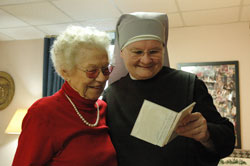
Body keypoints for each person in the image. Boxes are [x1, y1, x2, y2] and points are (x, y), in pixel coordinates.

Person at [103, 12, 235, 166]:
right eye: (137, 52)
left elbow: (227, 139)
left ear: (163, 50)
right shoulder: (111, 95)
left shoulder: (189, 84)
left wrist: (206, 133)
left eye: (154, 51)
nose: (146, 60)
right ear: (122, 53)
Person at [12, 26, 117, 166]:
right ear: (66, 71)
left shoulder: (102, 108)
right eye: (92, 71)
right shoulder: (43, 113)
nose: (102, 78)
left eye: (105, 69)